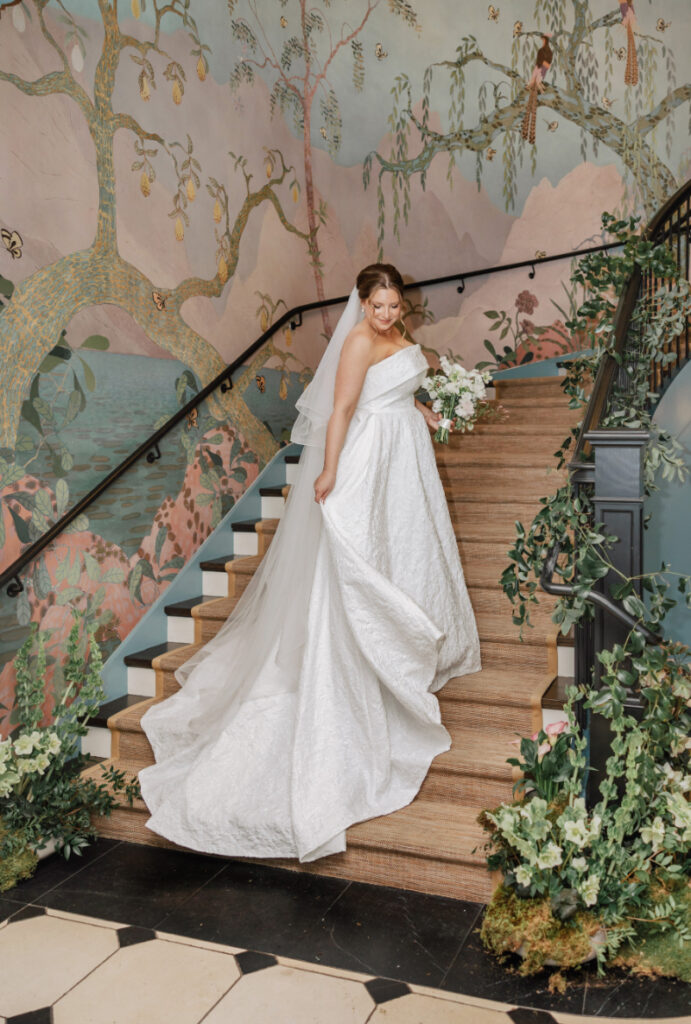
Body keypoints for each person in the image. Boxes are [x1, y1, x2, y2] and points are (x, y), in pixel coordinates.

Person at [138, 263, 481, 862]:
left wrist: (426, 411)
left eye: (394, 305)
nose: (386, 315)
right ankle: (369, 654)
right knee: (365, 555)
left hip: (409, 455)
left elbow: (398, 388)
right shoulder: (355, 341)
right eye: (376, 306)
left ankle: (413, 644)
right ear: (361, 303)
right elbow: (344, 411)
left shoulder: (399, 338)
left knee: (412, 548)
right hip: (372, 458)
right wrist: (328, 470)